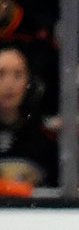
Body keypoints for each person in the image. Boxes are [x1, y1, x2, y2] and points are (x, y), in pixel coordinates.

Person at [0, 45, 56, 195]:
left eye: (18, 75)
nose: (9, 84)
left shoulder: (45, 136)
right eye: (1, 74)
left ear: (29, 83)